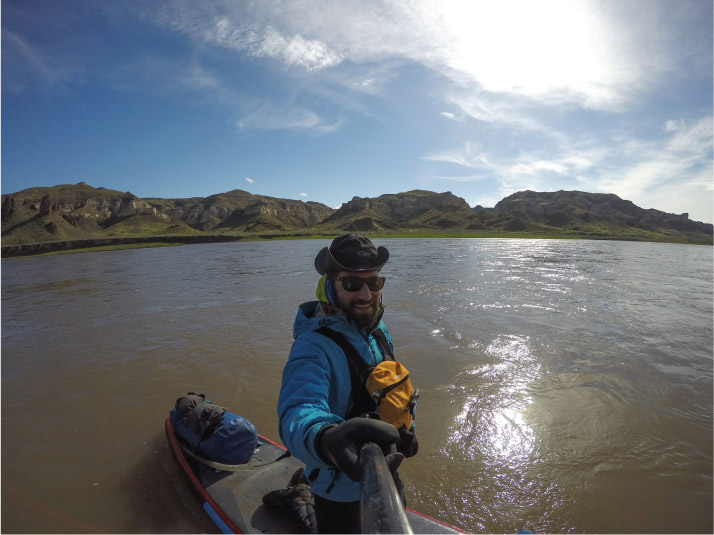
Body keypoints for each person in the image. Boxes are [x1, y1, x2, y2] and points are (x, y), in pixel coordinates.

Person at [277, 233, 418, 534]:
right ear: (330, 286)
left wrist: (406, 432)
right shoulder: (312, 347)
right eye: (352, 283)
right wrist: (327, 439)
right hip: (339, 494)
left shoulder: (378, 331)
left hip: (387, 475)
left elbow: (388, 387)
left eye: (375, 282)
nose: (366, 294)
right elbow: (298, 410)